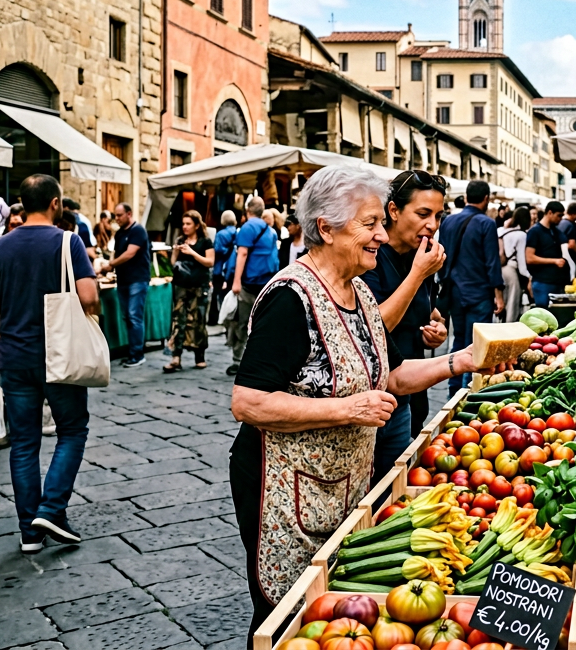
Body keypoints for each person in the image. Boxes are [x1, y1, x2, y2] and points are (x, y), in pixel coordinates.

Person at [229, 166, 506, 643]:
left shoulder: (356, 290)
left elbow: (393, 375)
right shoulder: (289, 298)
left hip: (341, 484)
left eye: (381, 222)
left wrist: (462, 361)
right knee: (285, 612)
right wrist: (347, 410)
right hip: (281, 488)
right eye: (370, 224)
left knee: (324, 610)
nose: (382, 234)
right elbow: (248, 402)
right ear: (325, 228)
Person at [0, 174, 98, 551]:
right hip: (60, 354)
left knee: (24, 443)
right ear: (54, 204)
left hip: (14, 355)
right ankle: (51, 507)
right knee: (73, 430)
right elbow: (89, 297)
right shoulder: (69, 241)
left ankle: (29, 533)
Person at [361, 170, 449, 480]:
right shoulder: (369, 256)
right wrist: (418, 274)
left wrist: (435, 330)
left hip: (412, 391)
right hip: (375, 397)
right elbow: (376, 324)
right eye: (423, 213)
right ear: (394, 211)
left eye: (438, 215)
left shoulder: (419, 255)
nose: (432, 225)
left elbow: (425, 310)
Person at [436, 180, 503, 390]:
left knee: (459, 339)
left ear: (466, 197)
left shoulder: (448, 221)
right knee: (476, 343)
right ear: (486, 199)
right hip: (478, 291)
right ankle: (468, 390)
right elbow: (492, 261)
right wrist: (498, 295)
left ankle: (454, 386)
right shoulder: (486, 223)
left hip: (455, 290)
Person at [228, 196, 280, 376]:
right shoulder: (271, 231)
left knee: (242, 322)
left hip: (250, 283)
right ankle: (263, 359)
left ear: (247, 210)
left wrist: (236, 281)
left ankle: (238, 360)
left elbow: (242, 254)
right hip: (267, 283)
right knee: (264, 323)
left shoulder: (247, 228)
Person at [101, 203, 151, 367]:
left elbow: (130, 253)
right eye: (115, 215)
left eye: (119, 215)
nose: (117, 219)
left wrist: (111, 264)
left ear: (129, 214)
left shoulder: (138, 230)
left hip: (137, 279)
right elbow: (117, 253)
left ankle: (137, 354)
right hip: (123, 280)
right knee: (127, 317)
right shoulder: (120, 233)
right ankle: (132, 351)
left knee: (134, 315)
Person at [165, 210, 214, 373]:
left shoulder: (205, 242)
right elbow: (173, 263)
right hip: (180, 285)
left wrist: (192, 252)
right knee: (178, 319)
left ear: (197, 225)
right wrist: (176, 252)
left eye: (188, 224)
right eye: (183, 224)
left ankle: (199, 356)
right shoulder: (180, 240)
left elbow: (210, 262)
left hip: (199, 285)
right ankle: (175, 357)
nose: (185, 227)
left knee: (198, 319)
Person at [525, 201, 570, 309]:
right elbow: (529, 258)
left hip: (557, 282)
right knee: (544, 315)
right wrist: (554, 261)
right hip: (542, 282)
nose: (560, 219)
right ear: (550, 213)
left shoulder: (555, 231)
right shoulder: (535, 232)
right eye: (559, 215)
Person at [500, 206, 532, 322]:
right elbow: (522, 263)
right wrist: (529, 277)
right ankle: (509, 332)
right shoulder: (521, 235)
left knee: (504, 303)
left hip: (501, 270)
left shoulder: (503, 231)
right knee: (512, 305)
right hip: (512, 271)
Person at [211, 210, 239, 325]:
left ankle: (214, 318)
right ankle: (229, 318)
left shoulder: (221, 234)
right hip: (233, 269)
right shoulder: (238, 233)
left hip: (219, 269)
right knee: (230, 294)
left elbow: (217, 251)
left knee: (216, 294)